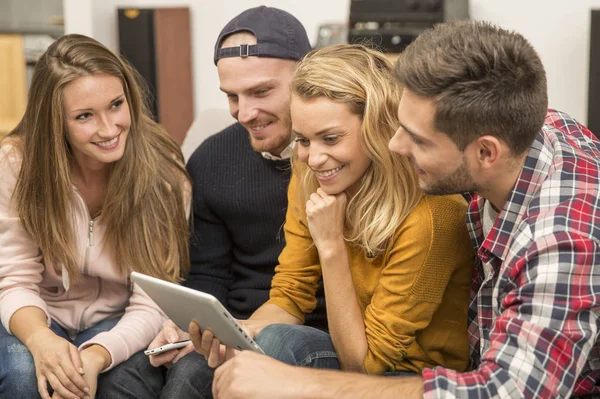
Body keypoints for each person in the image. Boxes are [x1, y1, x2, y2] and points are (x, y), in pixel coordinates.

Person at [210, 20, 600, 399]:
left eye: (417, 139)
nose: (394, 145)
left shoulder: (558, 241)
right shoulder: (526, 125)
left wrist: (296, 385)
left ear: (485, 152)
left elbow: (505, 390)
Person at [197, 43, 474, 380]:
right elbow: (289, 296)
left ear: (377, 128)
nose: (313, 158)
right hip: (347, 348)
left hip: (410, 376)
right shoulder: (309, 174)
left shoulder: (434, 216)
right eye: (303, 140)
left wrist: (331, 246)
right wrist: (234, 333)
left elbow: (364, 364)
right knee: (201, 364)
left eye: (330, 138)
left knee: (276, 343)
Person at [143, 6, 328, 398]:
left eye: (262, 91)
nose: (245, 113)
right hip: (237, 326)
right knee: (167, 380)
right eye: (232, 96)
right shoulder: (211, 159)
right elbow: (209, 275)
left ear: (307, 75)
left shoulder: (335, 161)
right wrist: (192, 327)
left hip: (320, 334)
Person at [0, 34, 191, 399]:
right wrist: (41, 340)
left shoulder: (164, 173)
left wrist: (97, 355)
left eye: (116, 105)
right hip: (37, 312)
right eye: (85, 116)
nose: (108, 129)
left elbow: (153, 301)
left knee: (111, 384)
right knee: (26, 377)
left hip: (119, 319)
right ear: (55, 122)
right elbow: (15, 280)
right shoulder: (16, 165)